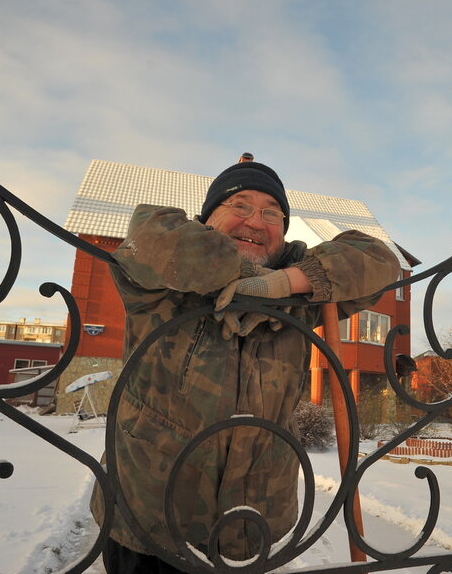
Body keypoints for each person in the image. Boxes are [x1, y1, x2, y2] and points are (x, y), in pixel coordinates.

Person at [91, 160, 400, 573]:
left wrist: (282, 284)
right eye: (239, 205)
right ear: (207, 218)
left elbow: (378, 261)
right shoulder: (162, 286)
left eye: (272, 213)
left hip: (252, 523)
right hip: (151, 517)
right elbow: (148, 232)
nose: (256, 221)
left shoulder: (304, 297)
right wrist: (238, 276)